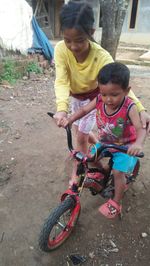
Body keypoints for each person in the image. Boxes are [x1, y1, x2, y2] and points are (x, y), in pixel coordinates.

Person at [53, 1, 149, 180]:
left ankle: (76, 176)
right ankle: (101, 148)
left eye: (79, 40)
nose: (73, 46)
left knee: (81, 139)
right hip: (75, 98)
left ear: (91, 33)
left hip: (95, 99)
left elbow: (121, 86)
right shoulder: (60, 50)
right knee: (78, 130)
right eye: (67, 40)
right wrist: (62, 108)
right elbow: (61, 80)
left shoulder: (101, 57)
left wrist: (141, 109)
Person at [60, 62, 146, 219]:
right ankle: (99, 175)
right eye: (104, 94)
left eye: (114, 95)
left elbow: (141, 128)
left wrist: (138, 143)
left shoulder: (129, 107)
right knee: (86, 157)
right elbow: (85, 109)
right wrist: (70, 119)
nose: (108, 99)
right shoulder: (99, 99)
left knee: (118, 173)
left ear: (127, 91)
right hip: (105, 142)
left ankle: (116, 202)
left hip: (124, 147)